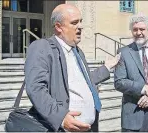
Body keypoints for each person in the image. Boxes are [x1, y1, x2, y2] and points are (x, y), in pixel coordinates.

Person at [24, 4, 120, 132]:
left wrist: (106, 68)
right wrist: (61, 118)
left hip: (89, 127)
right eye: (74, 23)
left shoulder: (78, 51)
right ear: (59, 27)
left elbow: (83, 81)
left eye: (81, 21)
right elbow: (36, 88)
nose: (80, 26)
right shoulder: (42, 47)